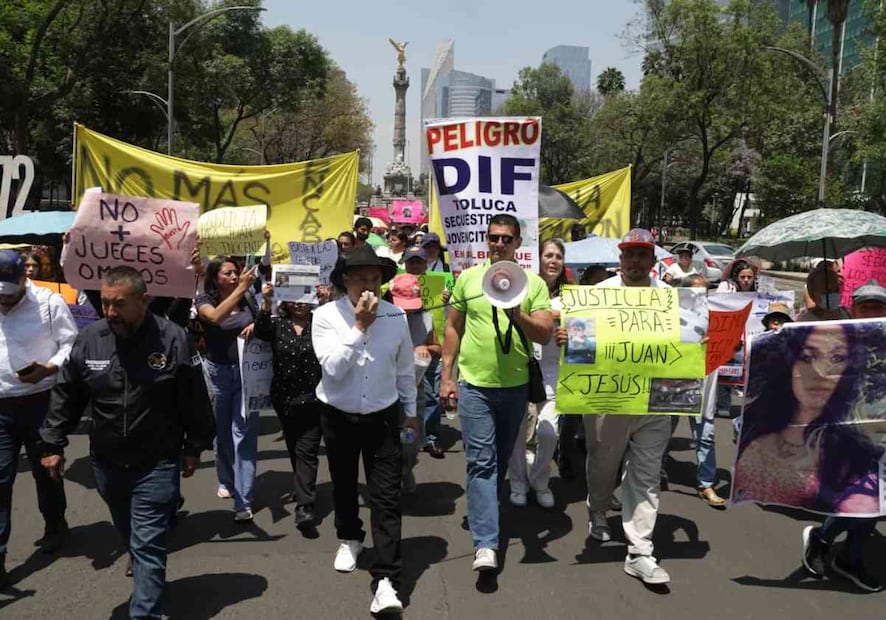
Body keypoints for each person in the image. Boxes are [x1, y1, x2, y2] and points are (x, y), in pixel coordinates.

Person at [39, 266, 215, 620]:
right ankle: (143, 567)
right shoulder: (90, 340)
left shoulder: (173, 339)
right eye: (105, 304)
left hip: (157, 462)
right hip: (106, 463)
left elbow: (194, 398)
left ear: (143, 300)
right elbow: (67, 395)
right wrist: (52, 443)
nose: (110, 313)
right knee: (131, 534)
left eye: (119, 304)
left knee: (148, 543)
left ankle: (145, 612)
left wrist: (195, 446)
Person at [440, 214, 553, 572]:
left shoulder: (533, 285)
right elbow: (453, 328)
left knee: (500, 459)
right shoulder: (469, 279)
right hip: (475, 387)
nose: (499, 244)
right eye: (493, 238)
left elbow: (545, 334)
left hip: (516, 388)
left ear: (519, 244)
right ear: (485, 241)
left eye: (506, 239)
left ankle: (485, 506)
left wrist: (517, 313)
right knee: (481, 462)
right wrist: (447, 376)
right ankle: (486, 544)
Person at [311, 244, 419, 614]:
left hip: (384, 416)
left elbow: (405, 369)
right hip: (338, 413)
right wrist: (359, 326)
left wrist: (411, 413)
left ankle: (387, 578)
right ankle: (350, 536)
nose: (368, 286)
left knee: (386, 496)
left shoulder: (396, 317)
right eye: (360, 278)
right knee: (343, 480)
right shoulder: (325, 316)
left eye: (375, 278)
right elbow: (333, 368)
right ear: (345, 280)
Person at [576, 228, 676, 585]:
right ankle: (598, 508)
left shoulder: (669, 297)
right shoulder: (599, 294)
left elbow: (685, 342)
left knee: (647, 475)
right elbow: (579, 344)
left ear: (653, 260)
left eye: (642, 254)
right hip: (609, 397)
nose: (635, 261)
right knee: (603, 462)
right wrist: (571, 336)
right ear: (620, 260)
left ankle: (640, 550)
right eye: (629, 254)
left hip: (654, 400)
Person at [733, 323, 881, 513]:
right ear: (790, 365)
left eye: (837, 358)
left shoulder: (856, 448)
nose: (821, 372)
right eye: (808, 357)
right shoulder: (756, 439)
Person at [801, 279, 886, 592]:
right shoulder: (836, 341)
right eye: (867, 306)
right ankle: (831, 545)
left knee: (878, 502)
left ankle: (844, 554)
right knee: (861, 498)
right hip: (847, 435)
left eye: (879, 306)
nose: (873, 312)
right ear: (853, 309)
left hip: (882, 436)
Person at [0, 250, 77, 586]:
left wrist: (51, 366)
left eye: (9, 291)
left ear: (23, 280)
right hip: (1, 407)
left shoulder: (49, 302)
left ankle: (55, 524)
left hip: (41, 402)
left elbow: (71, 344)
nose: (3, 299)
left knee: (45, 471)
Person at [254, 283, 324, 532]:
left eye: (304, 297)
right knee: (295, 447)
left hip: (315, 399)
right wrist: (266, 300)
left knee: (307, 450)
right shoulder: (278, 324)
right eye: (294, 298)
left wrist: (327, 300)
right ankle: (302, 486)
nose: (299, 303)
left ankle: (305, 506)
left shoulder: (321, 322)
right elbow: (261, 330)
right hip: (284, 399)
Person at [196, 257, 258, 522]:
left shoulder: (248, 299)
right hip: (218, 374)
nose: (234, 276)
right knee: (222, 433)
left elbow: (263, 321)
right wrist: (241, 288)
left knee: (243, 433)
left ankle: (244, 500)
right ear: (214, 278)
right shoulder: (203, 301)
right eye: (228, 273)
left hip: (247, 373)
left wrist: (258, 324)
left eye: (237, 273)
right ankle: (226, 478)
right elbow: (215, 318)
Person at [507, 238, 568, 509]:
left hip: (553, 371)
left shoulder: (573, 296)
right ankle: (518, 483)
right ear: (538, 258)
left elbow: (587, 334)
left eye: (558, 256)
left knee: (548, 432)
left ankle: (541, 481)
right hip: (521, 367)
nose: (553, 260)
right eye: (548, 255)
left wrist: (572, 335)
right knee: (517, 430)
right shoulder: (523, 288)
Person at [389, 273, 442, 492]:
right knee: (385, 441)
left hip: (413, 391)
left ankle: (406, 467)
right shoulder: (381, 317)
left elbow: (439, 348)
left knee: (409, 440)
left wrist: (426, 348)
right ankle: (389, 479)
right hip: (383, 390)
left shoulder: (426, 318)